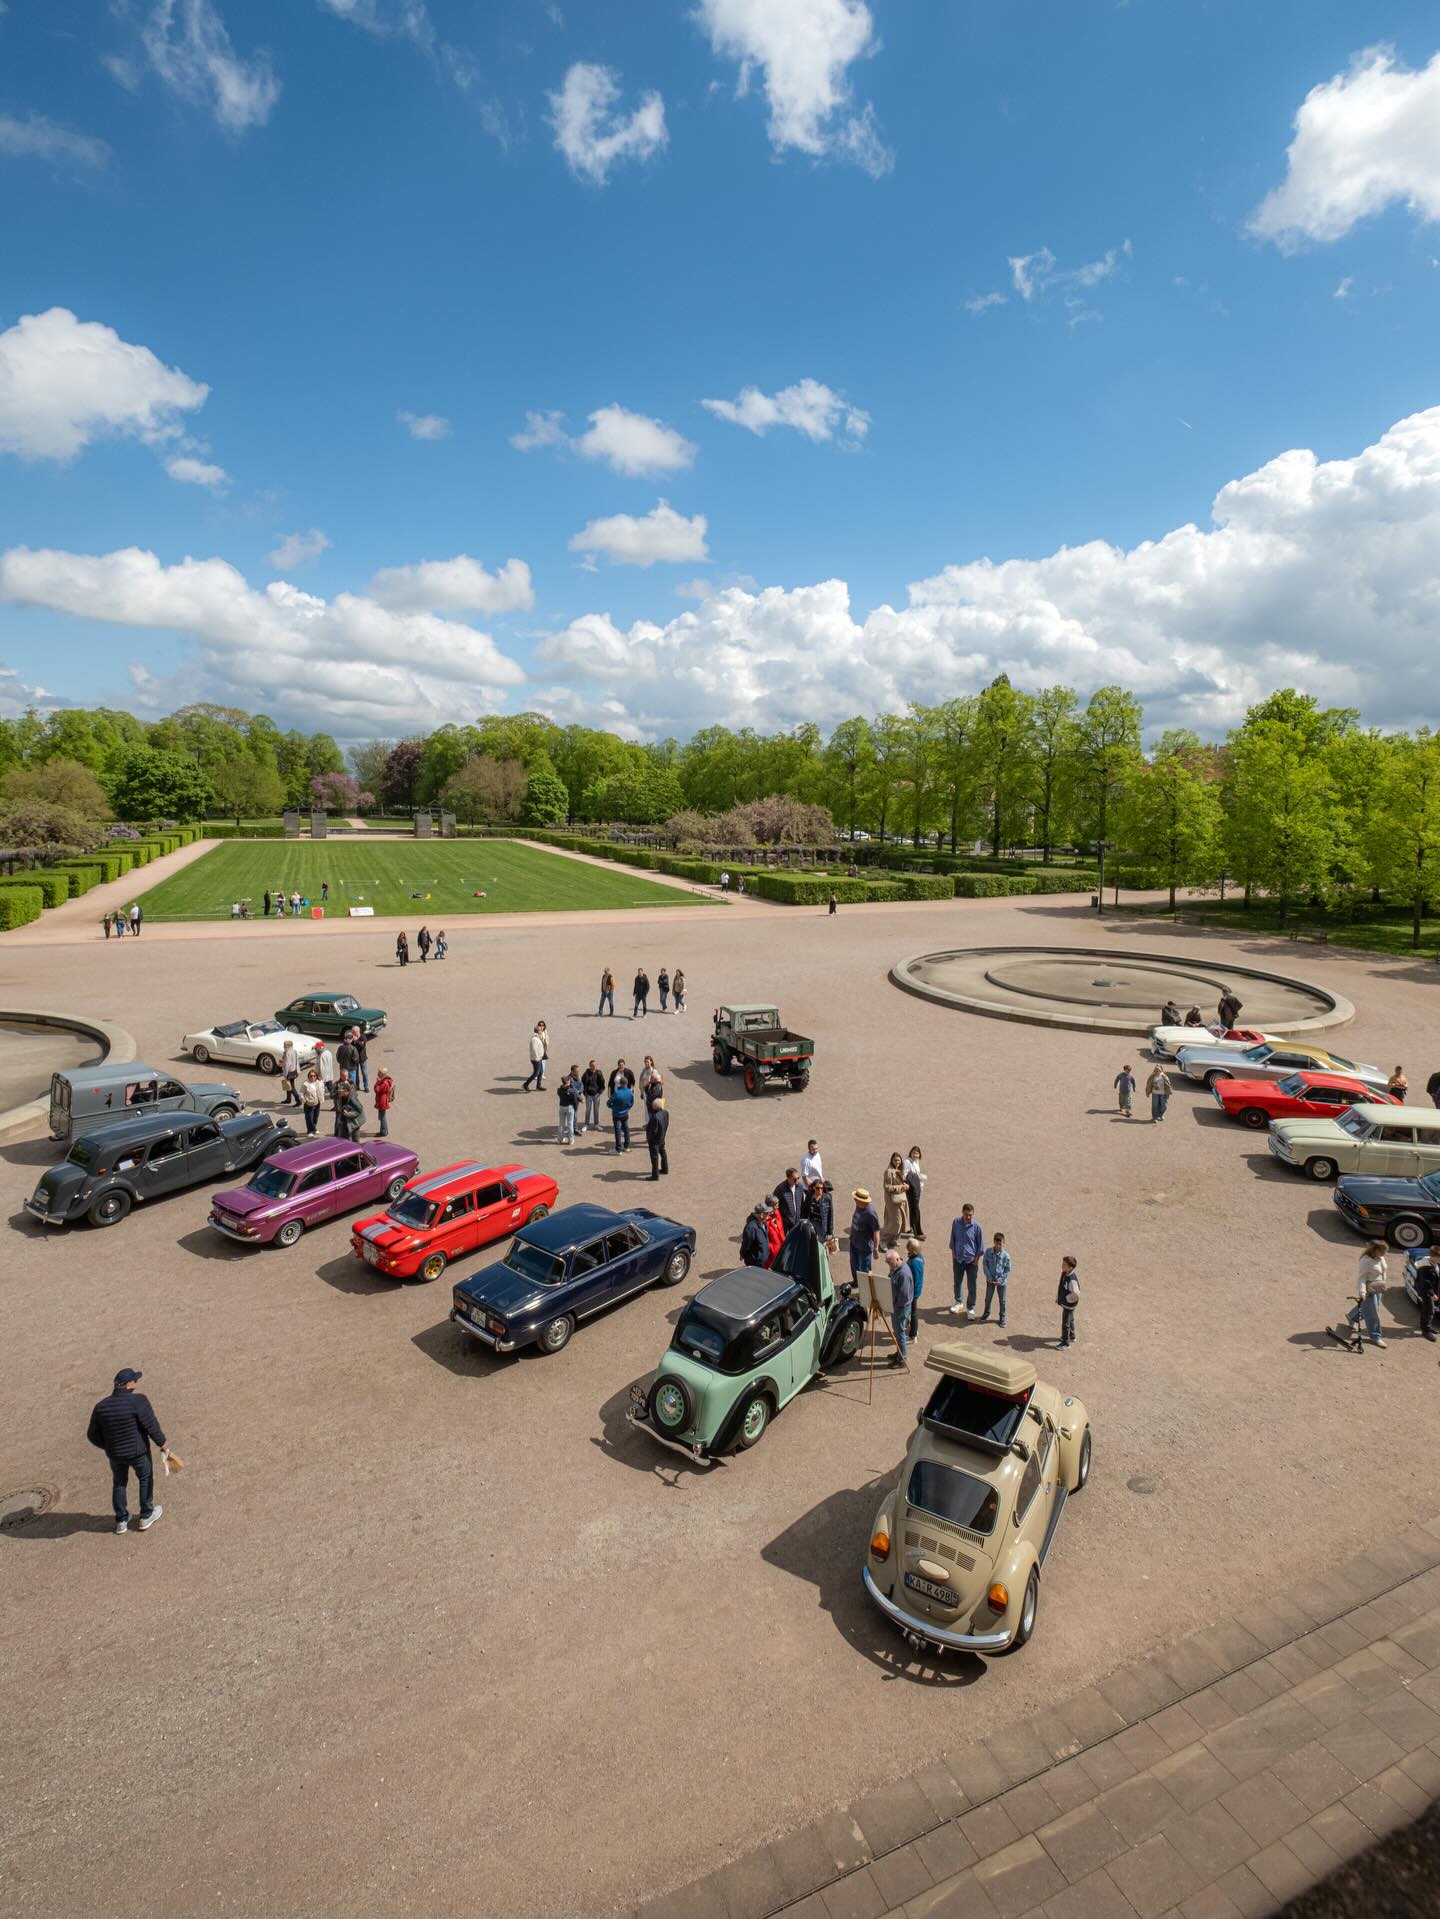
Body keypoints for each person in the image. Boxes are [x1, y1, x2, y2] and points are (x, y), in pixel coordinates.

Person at [88, 1366, 168, 1533]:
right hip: (138, 1452)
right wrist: (162, 1443)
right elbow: (150, 1425)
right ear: (128, 1384)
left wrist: (109, 1446)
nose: (136, 1383)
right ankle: (146, 1515)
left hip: (115, 1455)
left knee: (119, 1483)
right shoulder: (138, 1401)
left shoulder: (101, 1407)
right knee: (145, 1478)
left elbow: (92, 1435)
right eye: (135, 1380)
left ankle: (121, 1521)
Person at [1340, 1241, 1388, 1349]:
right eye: (1382, 1251)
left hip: (1378, 1288)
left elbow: (1383, 1271)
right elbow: (1362, 1278)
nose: (1384, 1254)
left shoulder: (1380, 1258)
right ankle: (1376, 1336)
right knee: (1373, 1313)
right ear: (1375, 1250)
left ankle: (1352, 1316)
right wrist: (1362, 1292)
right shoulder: (1366, 1261)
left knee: (1370, 1308)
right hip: (1369, 1289)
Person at [949, 1203, 984, 1316]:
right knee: (957, 1282)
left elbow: (980, 1245)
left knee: (972, 1285)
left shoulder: (977, 1227)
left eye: (970, 1215)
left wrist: (976, 1260)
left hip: (971, 1262)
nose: (968, 1217)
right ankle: (958, 1302)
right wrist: (953, 1255)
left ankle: (970, 1307)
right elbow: (952, 1239)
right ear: (962, 1212)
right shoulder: (956, 1223)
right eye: (966, 1214)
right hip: (958, 1259)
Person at [884, 1247, 914, 1367]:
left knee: (900, 1333)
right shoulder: (896, 1268)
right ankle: (899, 1353)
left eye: (891, 1264)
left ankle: (902, 1358)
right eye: (889, 1264)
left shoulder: (904, 1274)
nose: (890, 1267)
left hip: (900, 1308)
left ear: (897, 1259)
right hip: (896, 1307)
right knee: (897, 1332)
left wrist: (893, 1305)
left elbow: (904, 1297)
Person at [848, 1187, 882, 1289]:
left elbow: (876, 1231)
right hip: (854, 1242)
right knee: (854, 1265)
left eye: (856, 1199)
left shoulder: (871, 1213)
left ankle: (866, 1291)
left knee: (865, 1270)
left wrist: (875, 1249)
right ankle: (856, 1282)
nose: (854, 1200)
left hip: (864, 1247)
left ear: (861, 1201)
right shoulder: (859, 1206)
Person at [980, 1232, 1011, 1328]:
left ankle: (1002, 1317)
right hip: (990, 1280)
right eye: (996, 1244)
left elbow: (1007, 1269)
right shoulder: (988, 1252)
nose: (998, 1246)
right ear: (994, 1242)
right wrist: (989, 1277)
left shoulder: (1006, 1256)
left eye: (1000, 1244)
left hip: (1001, 1282)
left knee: (1002, 1301)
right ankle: (986, 1312)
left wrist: (1001, 1280)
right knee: (988, 1298)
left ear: (1003, 1243)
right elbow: (985, 1264)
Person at [1413, 1243, 1440, 1343]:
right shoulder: (1426, 1268)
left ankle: (1427, 1326)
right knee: (1429, 1310)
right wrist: (1432, 1294)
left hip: (1430, 1291)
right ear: (1434, 1257)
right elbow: (1426, 1283)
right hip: (1426, 1292)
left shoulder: (1433, 1262)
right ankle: (1425, 1330)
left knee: (1429, 1309)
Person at [882, 1153, 911, 1245]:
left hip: (901, 1199)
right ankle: (883, 1241)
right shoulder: (889, 1171)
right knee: (895, 1222)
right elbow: (887, 1187)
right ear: (892, 1160)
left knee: (902, 1221)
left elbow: (902, 1182)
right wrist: (901, 1187)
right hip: (892, 1201)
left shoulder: (899, 1170)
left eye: (899, 1160)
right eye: (895, 1160)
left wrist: (905, 1185)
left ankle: (893, 1240)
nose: (897, 1162)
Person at [902, 1145, 926, 1239]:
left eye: (917, 1153)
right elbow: (905, 1174)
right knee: (915, 1208)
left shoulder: (916, 1162)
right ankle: (918, 1232)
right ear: (910, 1153)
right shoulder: (907, 1161)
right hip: (912, 1188)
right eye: (913, 1152)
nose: (915, 1154)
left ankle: (911, 1227)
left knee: (913, 1207)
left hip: (917, 1187)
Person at [1057, 1256, 1080, 1349]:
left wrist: (1067, 1299)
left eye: (1064, 1265)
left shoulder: (1072, 1280)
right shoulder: (1065, 1274)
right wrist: (1059, 1297)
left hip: (1069, 1305)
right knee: (1070, 1319)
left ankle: (1065, 1343)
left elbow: (1076, 1294)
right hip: (1067, 1303)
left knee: (1066, 1323)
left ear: (1070, 1267)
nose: (1062, 1265)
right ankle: (1071, 1336)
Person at [607, 1073, 634, 1153]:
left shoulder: (617, 1093)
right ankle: (627, 1146)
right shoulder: (630, 1092)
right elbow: (631, 1103)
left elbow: (609, 1103)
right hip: (625, 1114)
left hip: (616, 1114)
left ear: (620, 1083)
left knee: (618, 1131)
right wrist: (627, 1108)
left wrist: (613, 1107)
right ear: (627, 1083)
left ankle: (618, 1149)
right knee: (626, 1130)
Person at [801, 1178, 833, 1243]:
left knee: (821, 1242)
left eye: (822, 1188)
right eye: (818, 1188)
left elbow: (830, 1214)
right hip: (811, 1221)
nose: (820, 1190)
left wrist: (830, 1231)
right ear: (813, 1188)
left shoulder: (827, 1197)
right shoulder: (809, 1196)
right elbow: (805, 1209)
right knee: (810, 1241)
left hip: (821, 1224)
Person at [645, 1096, 670, 1179]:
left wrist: (649, 1138)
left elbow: (652, 1131)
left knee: (654, 1156)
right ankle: (665, 1169)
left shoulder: (654, 1118)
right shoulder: (665, 1113)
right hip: (662, 1137)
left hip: (655, 1140)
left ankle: (655, 1175)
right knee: (663, 1152)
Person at [906, 1236, 925, 1340]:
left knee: (913, 1313)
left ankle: (913, 1334)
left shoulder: (914, 1263)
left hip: (913, 1292)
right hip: (915, 1290)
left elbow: (914, 1280)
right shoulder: (920, 1256)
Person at [557, 1065, 581, 1145]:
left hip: (561, 1107)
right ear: (567, 1082)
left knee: (561, 1124)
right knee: (570, 1124)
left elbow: (560, 1092)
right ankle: (571, 1140)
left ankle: (560, 1139)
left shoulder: (559, 1090)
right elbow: (574, 1100)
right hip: (570, 1108)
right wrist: (575, 1107)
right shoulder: (571, 1091)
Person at [775, 1168, 803, 1234]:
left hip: (797, 1221)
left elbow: (802, 1204)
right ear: (788, 1178)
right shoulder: (780, 1189)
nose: (797, 1181)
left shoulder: (800, 1187)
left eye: (798, 1178)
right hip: (784, 1223)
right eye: (795, 1179)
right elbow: (774, 1205)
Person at [580, 1060, 605, 1136]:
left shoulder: (599, 1073)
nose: (593, 1066)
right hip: (588, 1095)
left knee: (596, 1110)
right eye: (592, 1065)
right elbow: (583, 1083)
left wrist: (600, 1092)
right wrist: (585, 1093)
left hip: (596, 1094)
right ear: (589, 1066)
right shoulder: (586, 1074)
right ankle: (586, 1124)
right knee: (588, 1110)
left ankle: (596, 1124)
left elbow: (602, 1083)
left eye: (594, 1065)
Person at [523, 1020, 548, 1091]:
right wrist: (538, 1058)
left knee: (540, 1072)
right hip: (536, 1059)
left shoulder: (538, 1037)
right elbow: (534, 1050)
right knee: (536, 1073)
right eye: (540, 1029)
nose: (541, 1030)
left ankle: (538, 1086)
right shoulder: (534, 1039)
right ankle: (526, 1084)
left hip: (539, 1058)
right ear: (538, 1031)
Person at [373, 1067, 395, 1138]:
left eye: (379, 1073)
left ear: (382, 1074)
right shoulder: (385, 1081)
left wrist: (377, 1083)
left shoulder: (384, 1083)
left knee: (382, 1117)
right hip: (383, 1100)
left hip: (382, 1101)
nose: (377, 1074)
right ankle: (384, 1131)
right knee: (382, 1116)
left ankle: (383, 1132)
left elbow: (377, 1090)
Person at [763, 1196, 785, 1265]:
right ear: (771, 1207)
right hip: (771, 1255)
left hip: (781, 1250)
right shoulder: (764, 1220)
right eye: (776, 1205)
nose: (778, 1207)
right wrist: (770, 1248)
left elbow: (781, 1230)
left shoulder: (777, 1213)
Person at [301, 1067, 323, 1135]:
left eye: (314, 1076)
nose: (313, 1077)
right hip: (309, 1104)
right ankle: (310, 1131)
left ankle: (314, 1128)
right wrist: (305, 1101)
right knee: (309, 1118)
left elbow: (322, 1091)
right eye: (311, 1076)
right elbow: (301, 1093)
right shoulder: (305, 1084)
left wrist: (321, 1098)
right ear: (308, 1076)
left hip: (317, 1103)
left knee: (315, 1117)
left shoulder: (319, 1082)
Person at [280, 1037, 301, 1107]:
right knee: (289, 1085)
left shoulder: (287, 1052)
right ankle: (288, 1099)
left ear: (287, 1046)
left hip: (289, 1072)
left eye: (284, 1045)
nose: (283, 1047)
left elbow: (287, 1064)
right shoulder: (294, 1051)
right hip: (294, 1071)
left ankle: (298, 1100)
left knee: (291, 1087)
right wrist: (298, 1070)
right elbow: (296, 1061)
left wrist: (285, 1074)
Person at [351, 1028, 370, 1092]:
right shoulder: (352, 1038)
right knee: (356, 1073)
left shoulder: (363, 1037)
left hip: (362, 1059)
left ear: (357, 1032)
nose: (352, 1033)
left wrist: (356, 1041)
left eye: (353, 1032)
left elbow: (362, 1045)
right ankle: (356, 1086)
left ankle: (366, 1086)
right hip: (355, 1059)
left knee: (364, 1073)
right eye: (352, 1032)